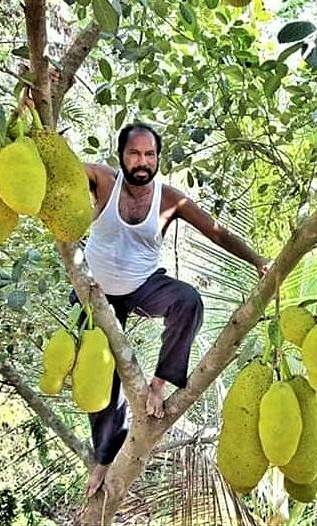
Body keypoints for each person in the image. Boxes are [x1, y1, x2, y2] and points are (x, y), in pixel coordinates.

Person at [77, 123, 269, 497]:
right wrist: (35, 104)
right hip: (97, 293)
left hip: (144, 286)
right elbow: (62, 169)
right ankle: (103, 460)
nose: (141, 162)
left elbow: (217, 231)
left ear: (157, 159)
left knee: (187, 300)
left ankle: (159, 384)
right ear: (121, 156)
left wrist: (258, 260)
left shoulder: (169, 199)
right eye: (134, 154)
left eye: (149, 155)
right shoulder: (102, 180)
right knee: (104, 382)